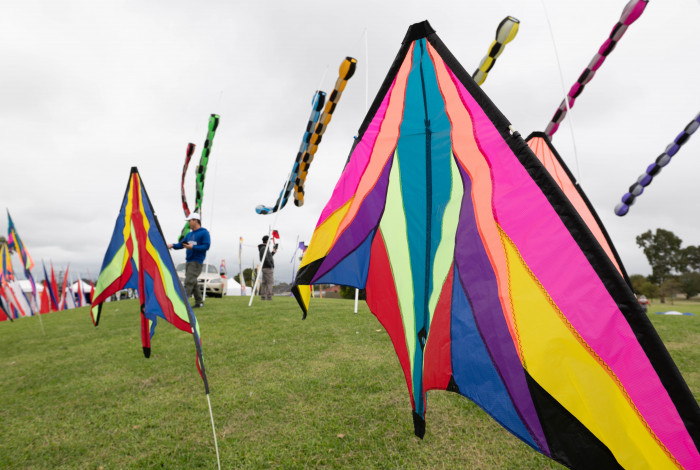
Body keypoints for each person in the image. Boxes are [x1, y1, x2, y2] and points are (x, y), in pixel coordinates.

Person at [168, 213, 210, 308]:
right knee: (193, 282)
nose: (188, 223)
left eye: (190, 221)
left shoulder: (204, 233)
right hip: (189, 261)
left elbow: (206, 246)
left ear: (196, 220)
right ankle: (199, 302)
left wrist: (193, 247)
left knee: (188, 282)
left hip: (197, 261)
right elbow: (181, 245)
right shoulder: (189, 234)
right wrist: (172, 245)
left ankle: (182, 305)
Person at [258, 235, 277, 301]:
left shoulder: (264, 248)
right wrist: (271, 265)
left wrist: (273, 253)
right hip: (268, 268)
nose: (270, 242)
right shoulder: (264, 248)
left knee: (265, 283)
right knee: (270, 282)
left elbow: (268, 257)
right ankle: (269, 297)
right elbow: (266, 259)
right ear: (267, 240)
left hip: (265, 267)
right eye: (269, 240)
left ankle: (263, 297)